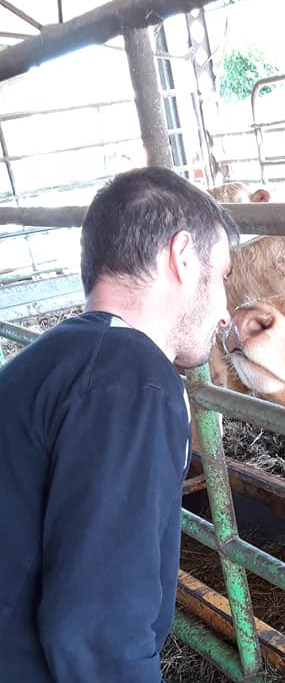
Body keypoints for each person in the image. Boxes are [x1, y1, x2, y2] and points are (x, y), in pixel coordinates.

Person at [0, 167, 238, 683]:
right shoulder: (134, 382)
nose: (224, 313)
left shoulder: (62, 354)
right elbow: (96, 627)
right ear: (181, 256)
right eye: (221, 276)